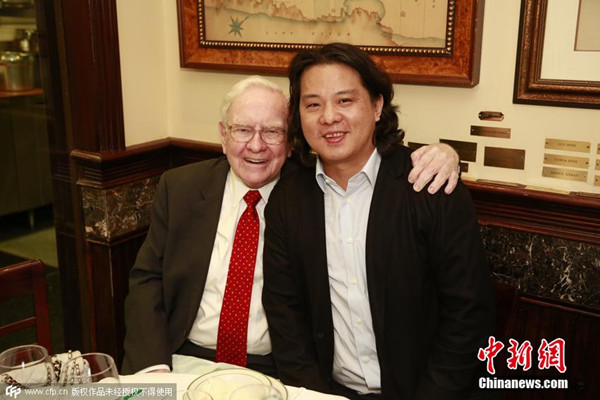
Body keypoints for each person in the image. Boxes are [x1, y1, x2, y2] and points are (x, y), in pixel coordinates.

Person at [121, 75, 460, 376]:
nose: (256, 145)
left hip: (274, 368)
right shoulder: (180, 187)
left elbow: (377, 160)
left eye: (272, 131)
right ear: (223, 135)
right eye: (242, 130)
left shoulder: (314, 191)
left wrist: (446, 153)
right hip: (184, 357)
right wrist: (154, 367)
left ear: (291, 140)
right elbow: (147, 278)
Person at [262, 43, 495, 399]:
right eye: (313, 104)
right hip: (330, 391)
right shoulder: (289, 197)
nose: (328, 117)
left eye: (345, 100)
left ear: (376, 106)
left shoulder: (428, 185)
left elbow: (468, 316)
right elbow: (284, 312)